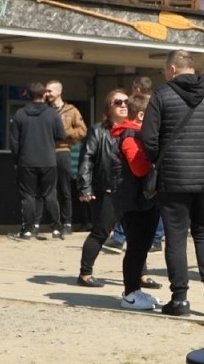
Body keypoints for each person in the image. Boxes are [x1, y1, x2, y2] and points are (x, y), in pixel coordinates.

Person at [139, 49, 204, 317]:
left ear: (172, 69)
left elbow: (148, 138)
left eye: (164, 70)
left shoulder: (162, 95)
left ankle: (180, 299)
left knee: (176, 237)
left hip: (174, 177)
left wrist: (159, 158)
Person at [76, 90, 152, 288]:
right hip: (107, 190)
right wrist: (85, 187)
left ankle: (142, 274)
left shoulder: (135, 130)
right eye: (118, 102)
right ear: (108, 107)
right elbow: (87, 158)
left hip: (130, 191)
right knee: (100, 232)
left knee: (136, 236)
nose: (123, 105)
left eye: (126, 101)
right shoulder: (98, 130)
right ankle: (85, 273)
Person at [112, 92, 165, 311]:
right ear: (142, 115)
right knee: (135, 247)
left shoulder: (135, 133)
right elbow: (139, 167)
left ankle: (135, 290)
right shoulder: (130, 135)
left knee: (141, 247)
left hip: (141, 200)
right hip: (133, 201)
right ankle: (130, 293)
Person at [9, 81, 65, 240]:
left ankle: (27, 229)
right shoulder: (52, 114)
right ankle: (56, 228)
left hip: (26, 160)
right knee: (50, 194)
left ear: (28, 95)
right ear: (44, 94)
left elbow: (14, 142)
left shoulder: (20, 114)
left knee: (28, 196)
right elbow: (61, 135)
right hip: (48, 160)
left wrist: (16, 160)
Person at [46, 81, 87, 237]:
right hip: (46, 152)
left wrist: (64, 133)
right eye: (46, 91)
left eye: (50, 91)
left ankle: (67, 222)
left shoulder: (71, 111)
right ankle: (53, 223)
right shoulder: (45, 111)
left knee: (65, 189)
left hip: (63, 151)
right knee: (49, 190)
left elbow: (82, 131)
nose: (47, 94)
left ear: (59, 92)